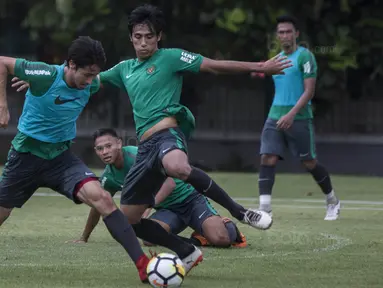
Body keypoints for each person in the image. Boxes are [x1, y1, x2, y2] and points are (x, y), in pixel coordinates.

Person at [11, 4, 291, 271]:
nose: (143, 42)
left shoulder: (170, 57)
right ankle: (186, 250)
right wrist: (41, 82)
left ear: (159, 37)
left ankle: (241, 212)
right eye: (137, 37)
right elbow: (84, 77)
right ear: (131, 38)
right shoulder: (123, 69)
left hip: (167, 135)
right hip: (145, 149)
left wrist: (260, 66)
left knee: (177, 167)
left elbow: (214, 65)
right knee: (128, 220)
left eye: (149, 37)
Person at [0, 36, 162, 283]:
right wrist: (2, 104)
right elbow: (2, 62)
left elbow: (112, 76)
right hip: (25, 158)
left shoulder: (91, 83)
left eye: (93, 76)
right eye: (86, 75)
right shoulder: (44, 74)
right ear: (71, 64)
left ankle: (142, 264)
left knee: (103, 199)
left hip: (61, 159)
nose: (90, 82)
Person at [69, 128, 247, 248]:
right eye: (100, 149)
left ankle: (226, 225)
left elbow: (169, 184)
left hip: (190, 200)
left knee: (221, 240)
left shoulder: (138, 156)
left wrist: (147, 206)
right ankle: (198, 238)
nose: (105, 152)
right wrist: (84, 237)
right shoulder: (110, 177)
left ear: (118, 143)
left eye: (108, 146)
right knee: (148, 239)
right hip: (167, 209)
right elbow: (98, 205)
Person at [254, 15, 340, 220]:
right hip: (274, 115)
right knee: (268, 156)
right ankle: (264, 209)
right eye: (281, 32)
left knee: (309, 162)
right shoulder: (275, 59)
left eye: (288, 31)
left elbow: (309, 91)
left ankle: (332, 201)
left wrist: (291, 114)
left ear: (296, 34)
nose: (285, 35)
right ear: (277, 36)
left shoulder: (305, 57)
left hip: (299, 117)